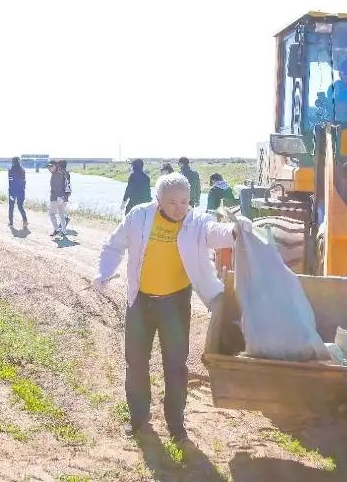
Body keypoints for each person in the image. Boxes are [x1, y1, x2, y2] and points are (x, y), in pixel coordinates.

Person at [93, 173, 251, 448]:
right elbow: (114, 245)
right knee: (136, 363)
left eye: (185, 201)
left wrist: (236, 231)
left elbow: (217, 233)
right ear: (158, 200)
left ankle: (176, 426)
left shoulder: (196, 222)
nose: (180, 208)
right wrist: (103, 273)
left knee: (176, 366)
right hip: (141, 302)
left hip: (175, 304)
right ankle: (139, 421)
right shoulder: (139, 217)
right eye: (172, 202)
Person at [47, 159, 67, 236]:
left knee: (51, 214)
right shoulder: (61, 173)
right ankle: (64, 230)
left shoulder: (56, 174)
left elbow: (58, 187)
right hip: (61, 197)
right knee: (61, 214)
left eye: (51, 166)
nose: (49, 168)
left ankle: (57, 229)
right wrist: (62, 197)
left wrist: (59, 196)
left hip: (55, 197)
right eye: (48, 166)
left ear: (56, 166)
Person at [8, 156, 28, 229]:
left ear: (12, 162)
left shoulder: (11, 170)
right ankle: (25, 221)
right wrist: (23, 190)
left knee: (11, 207)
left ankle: (11, 222)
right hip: (21, 191)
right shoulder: (22, 170)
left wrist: (11, 193)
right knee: (20, 206)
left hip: (13, 191)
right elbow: (24, 182)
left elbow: (10, 182)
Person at [58, 159, 71, 229]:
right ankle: (65, 219)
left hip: (63, 193)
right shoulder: (66, 172)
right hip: (66, 192)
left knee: (60, 208)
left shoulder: (62, 173)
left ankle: (62, 225)